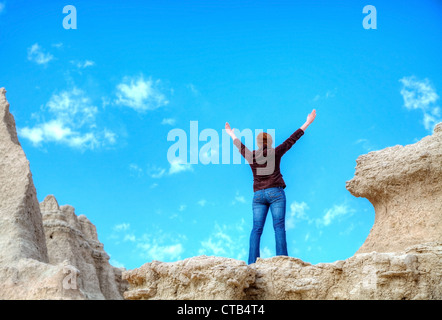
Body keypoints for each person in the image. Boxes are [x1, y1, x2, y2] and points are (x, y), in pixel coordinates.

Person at [225, 109, 316, 264]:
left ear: (259, 143)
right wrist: (307, 122)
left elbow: (240, 147)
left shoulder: (251, 155)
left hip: (258, 195)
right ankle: (281, 261)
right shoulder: (275, 152)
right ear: (270, 143)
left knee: (256, 229)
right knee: (279, 226)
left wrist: (231, 134)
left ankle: (252, 263)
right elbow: (291, 140)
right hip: (275, 193)